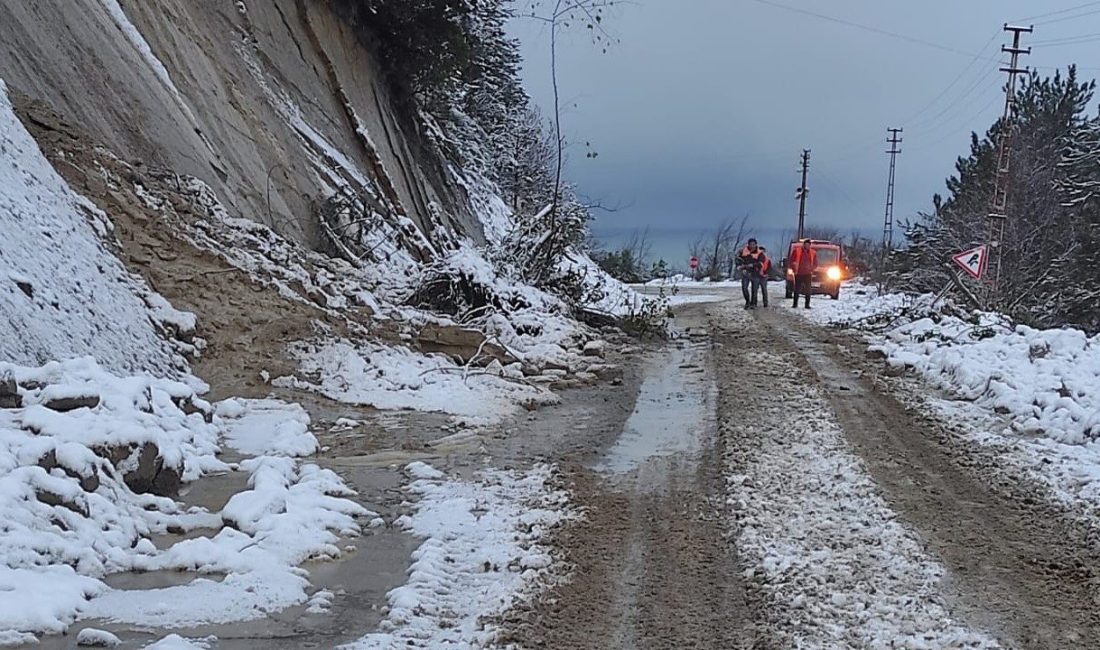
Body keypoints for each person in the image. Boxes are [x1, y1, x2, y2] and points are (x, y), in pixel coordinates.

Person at [736, 238, 769, 309]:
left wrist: (753, 265)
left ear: (756, 244)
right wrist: (739, 266)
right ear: (748, 244)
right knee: (744, 288)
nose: (752, 246)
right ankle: (747, 301)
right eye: (750, 244)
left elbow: (761, 263)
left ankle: (754, 303)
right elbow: (738, 260)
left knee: (754, 289)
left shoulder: (760, 253)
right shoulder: (743, 251)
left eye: (753, 244)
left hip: (755, 273)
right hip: (745, 272)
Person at [789, 239, 816, 309]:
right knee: (797, 289)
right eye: (806, 244)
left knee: (808, 290)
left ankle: (807, 305)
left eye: (808, 245)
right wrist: (793, 268)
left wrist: (811, 268)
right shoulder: (797, 251)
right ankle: (795, 304)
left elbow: (815, 263)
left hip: (808, 274)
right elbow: (791, 260)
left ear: (810, 245)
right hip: (798, 273)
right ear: (803, 245)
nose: (807, 246)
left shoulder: (813, 252)